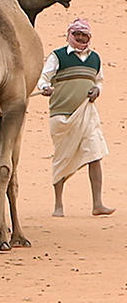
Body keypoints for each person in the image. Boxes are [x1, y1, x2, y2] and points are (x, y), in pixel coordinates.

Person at [38, 18, 114, 217]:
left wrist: (97, 90)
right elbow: (43, 78)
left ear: (89, 37)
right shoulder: (57, 56)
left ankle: (98, 204)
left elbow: (99, 81)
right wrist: (44, 88)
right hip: (61, 116)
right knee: (62, 159)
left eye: (84, 35)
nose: (80, 38)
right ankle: (58, 206)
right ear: (69, 35)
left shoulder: (95, 58)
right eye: (77, 34)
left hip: (87, 113)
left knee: (95, 154)